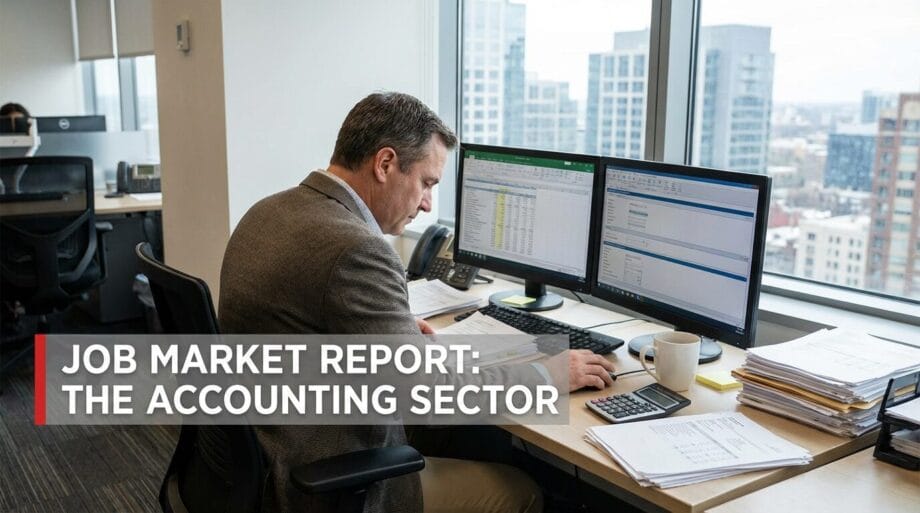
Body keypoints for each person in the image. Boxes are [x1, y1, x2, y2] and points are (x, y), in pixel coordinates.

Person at [219, 92, 614, 513]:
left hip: (256, 455)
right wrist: (548, 375)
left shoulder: (267, 211)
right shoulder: (356, 249)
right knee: (522, 489)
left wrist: (396, 335)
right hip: (319, 481)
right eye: (426, 183)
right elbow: (426, 397)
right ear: (385, 164)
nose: (427, 204)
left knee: (476, 437)